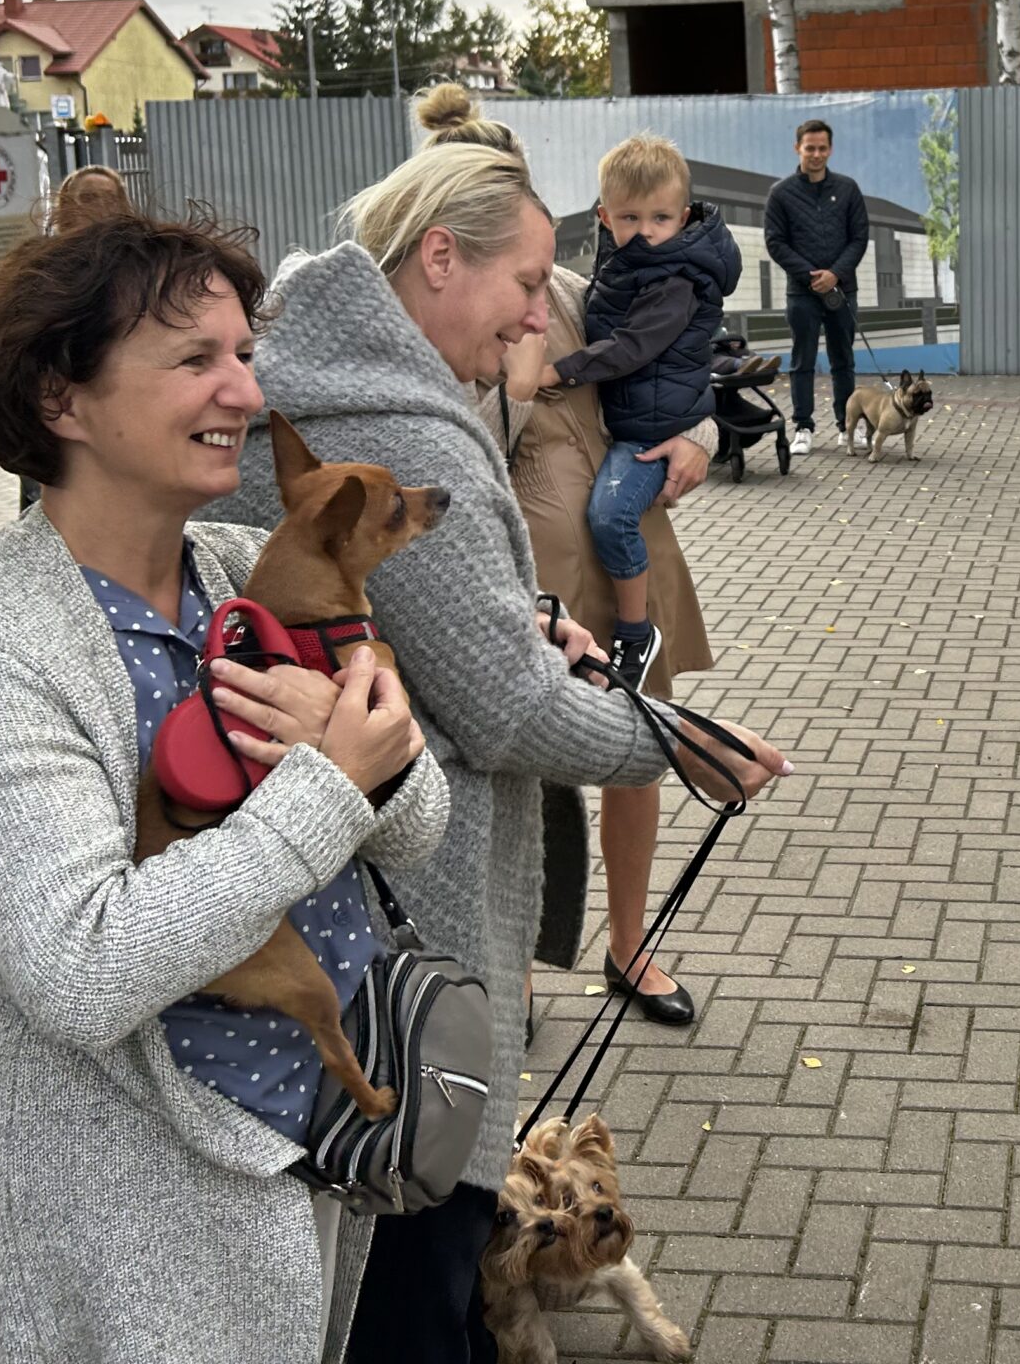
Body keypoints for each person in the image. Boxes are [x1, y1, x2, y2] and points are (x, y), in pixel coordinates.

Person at [207, 138, 791, 1364]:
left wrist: (523, 618)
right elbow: (505, 711)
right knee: (425, 1239)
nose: (540, 314)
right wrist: (683, 746)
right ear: (437, 259)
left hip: (348, 884)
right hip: (398, 909)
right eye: (525, 283)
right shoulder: (389, 417)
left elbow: (429, 632)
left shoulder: (353, 373)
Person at [0, 209, 445, 1363]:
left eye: (243, 354)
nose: (242, 391)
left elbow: (414, 828)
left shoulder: (244, 574)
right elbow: (84, 969)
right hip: (146, 1207)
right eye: (195, 360)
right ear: (61, 398)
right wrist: (331, 788)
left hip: (321, 1142)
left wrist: (381, 772)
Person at [419, 85, 716, 1030]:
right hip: (536, 585)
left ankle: (630, 947)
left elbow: (669, 365)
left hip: (631, 561)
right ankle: (519, 963)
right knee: (530, 778)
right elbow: (452, 461)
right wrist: (506, 385)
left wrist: (702, 434)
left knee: (640, 759)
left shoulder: (580, 291)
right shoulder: (441, 324)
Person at [533, 134, 739, 685]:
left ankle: (636, 631)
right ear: (605, 217)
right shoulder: (613, 272)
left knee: (612, 514)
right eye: (629, 218)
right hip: (624, 449)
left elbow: (633, 347)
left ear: (684, 216)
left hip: (643, 439)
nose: (645, 232)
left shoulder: (669, 277)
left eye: (660, 219)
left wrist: (558, 371)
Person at [763, 118, 870, 453]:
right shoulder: (781, 193)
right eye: (810, 148)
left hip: (842, 291)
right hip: (802, 294)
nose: (816, 154)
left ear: (830, 149)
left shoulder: (848, 189)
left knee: (843, 362)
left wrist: (835, 275)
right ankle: (803, 429)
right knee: (802, 362)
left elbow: (859, 238)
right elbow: (775, 243)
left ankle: (847, 427)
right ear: (798, 148)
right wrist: (812, 276)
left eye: (822, 148)